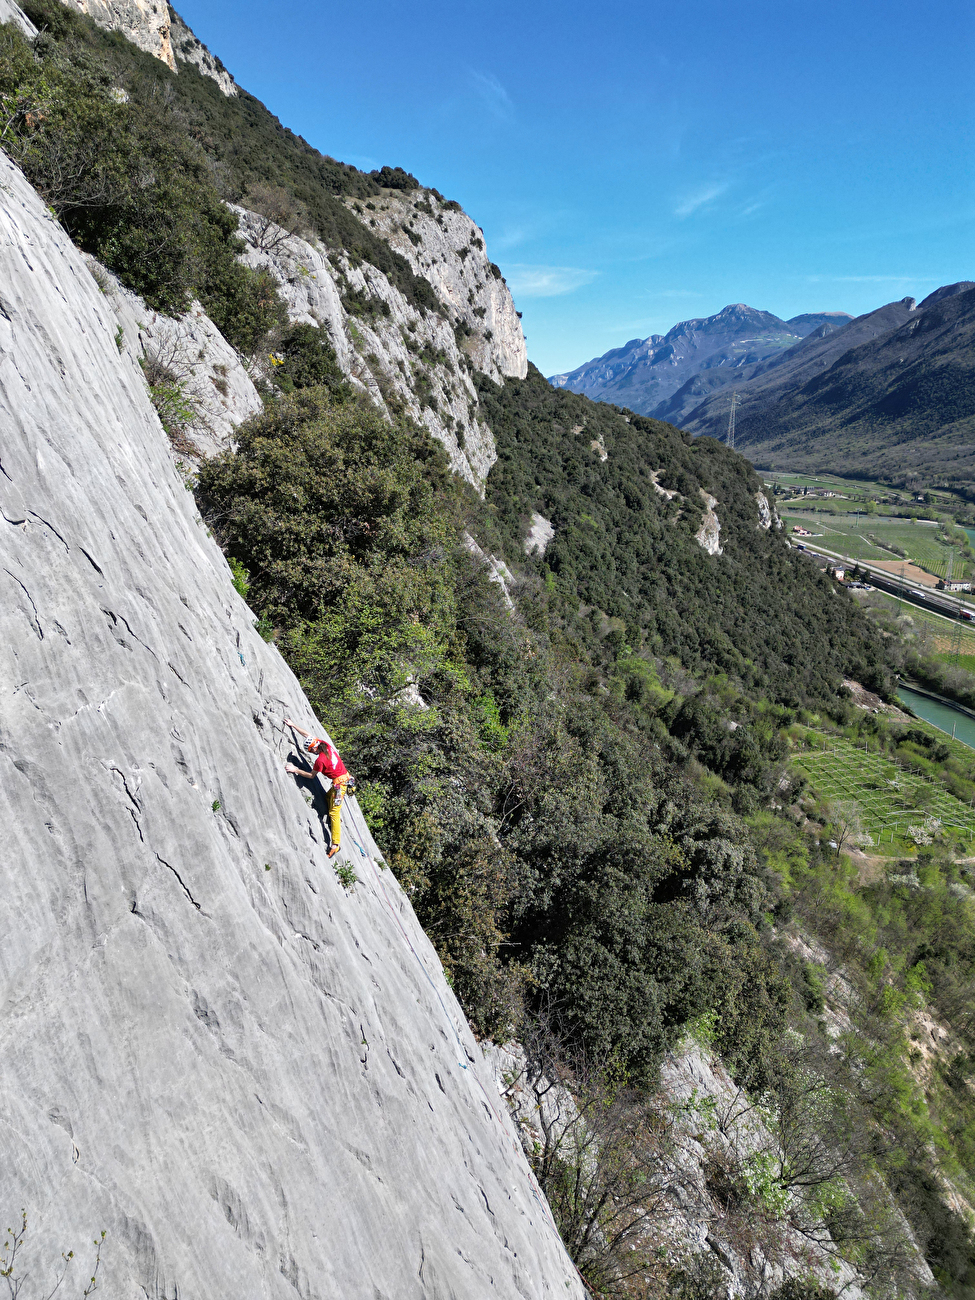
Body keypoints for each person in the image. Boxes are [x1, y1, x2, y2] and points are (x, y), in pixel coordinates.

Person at [284, 719, 355, 858]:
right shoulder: (325, 745)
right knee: (328, 798)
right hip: (344, 780)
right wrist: (294, 725)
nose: (312, 753)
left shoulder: (320, 760)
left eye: (311, 751)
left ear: (314, 748)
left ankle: (335, 845)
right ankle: (335, 813)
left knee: (334, 812)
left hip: (340, 786)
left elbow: (311, 775)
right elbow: (308, 735)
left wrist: (295, 770)